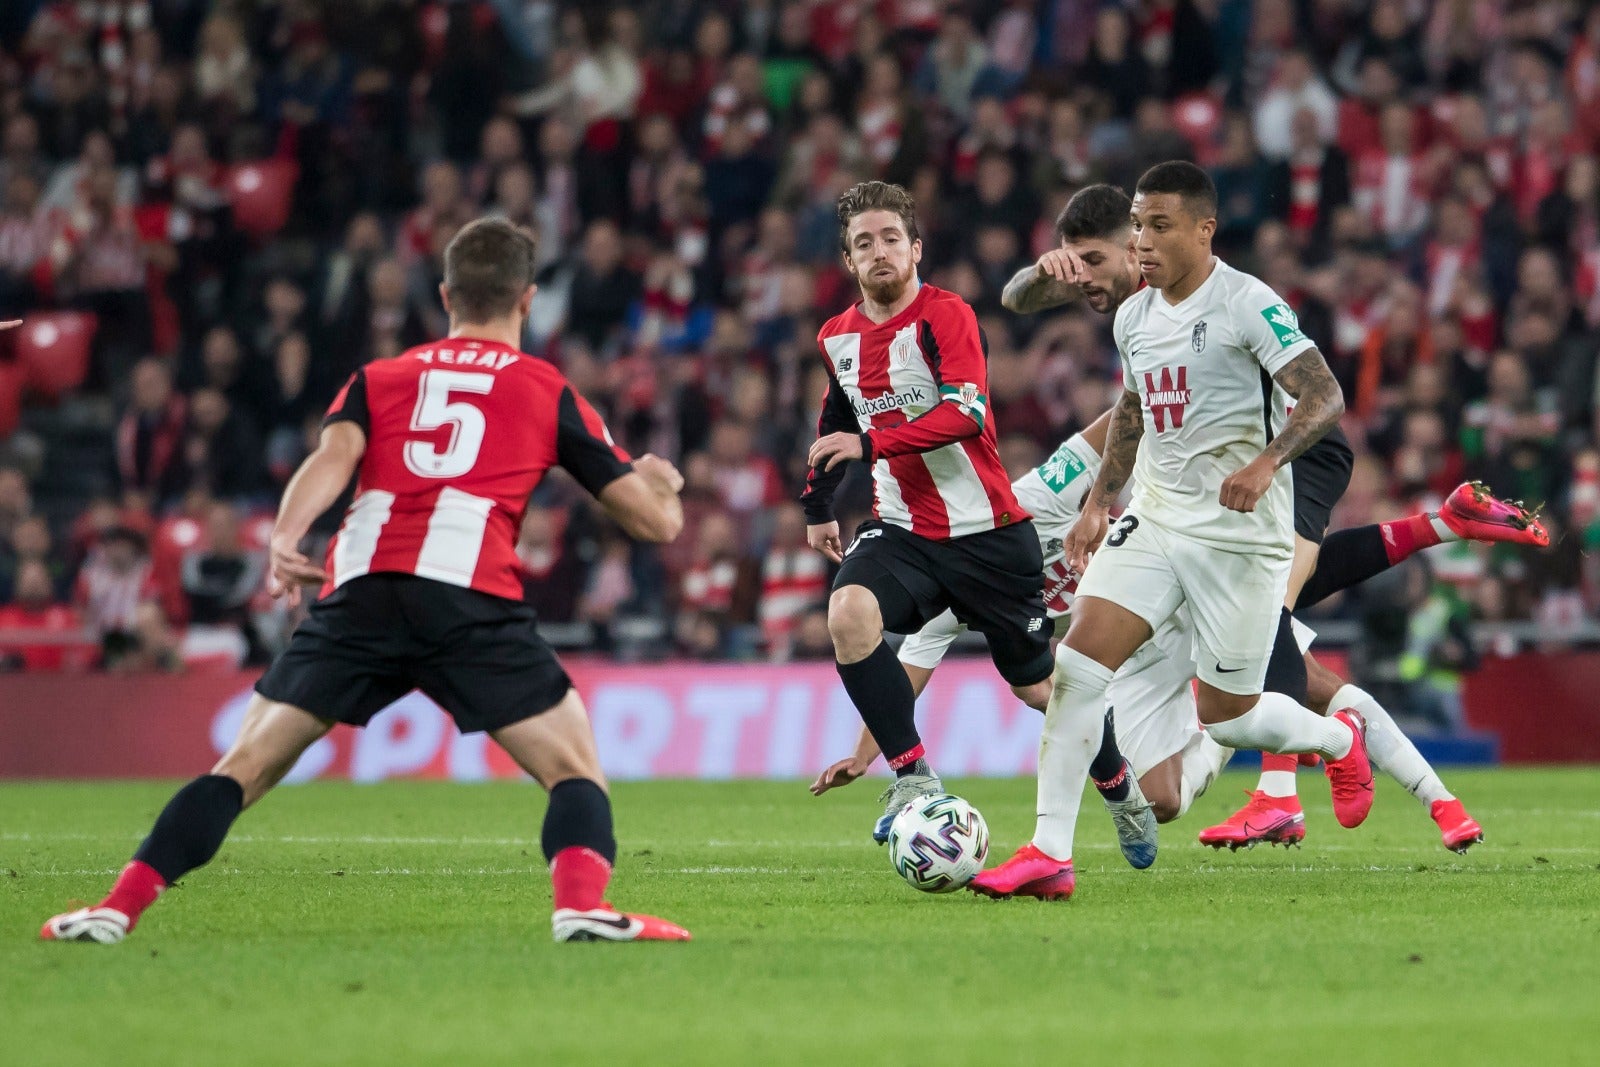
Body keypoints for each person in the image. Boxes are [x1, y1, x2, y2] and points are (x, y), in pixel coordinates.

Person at [811, 184, 1542, 860]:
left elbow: (1117, 422)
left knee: (1283, 629)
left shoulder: (1184, 292)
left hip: (1274, 453)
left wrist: (1113, 488)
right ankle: (1107, 817)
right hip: (1167, 548)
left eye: (1101, 260)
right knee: (1127, 734)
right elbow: (919, 651)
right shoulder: (1121, 331)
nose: (1088, 283)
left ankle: (1295, 792)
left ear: (1138, 246)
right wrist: (869, 746)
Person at [41, 218, 692, 945]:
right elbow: (654, 524)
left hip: (362, 583)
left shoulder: (379, 377)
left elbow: (331, 458)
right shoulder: (545, 386)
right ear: (528, 300)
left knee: (245, 765)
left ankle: (114, 908)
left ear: (445, 294)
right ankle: (579, 905)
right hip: (465, 589)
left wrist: (286, 534)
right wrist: (659, 482)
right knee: (573, 768)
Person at [973, 162, 1370, 901]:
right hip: (1155, 521)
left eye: (1159, 226)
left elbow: (1324, 396)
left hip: (1237, 537)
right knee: (1079, 668)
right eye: (1138, 226)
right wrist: (1099, 501)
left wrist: (1266, 461)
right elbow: (1132, 408)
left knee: (1233, 713)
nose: (1144, 242)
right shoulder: (1135, 315)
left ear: (1202, 229)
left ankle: (1340, 740)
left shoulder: (1248, 303)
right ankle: (1049, 851)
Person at [800, 180, 1065, 844]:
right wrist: (818, 504)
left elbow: (965, 413)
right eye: (865, 243)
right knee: (848, 612)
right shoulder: (836, 337)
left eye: (891, 238)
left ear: (916, 248)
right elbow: (836, 418)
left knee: (1040, 690)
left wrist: (868, 445)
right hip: (905, 530)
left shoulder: (946, 315)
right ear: (849, 261)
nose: (880, 251)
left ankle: (1119, 780)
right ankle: (913, 773)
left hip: (989, 533)